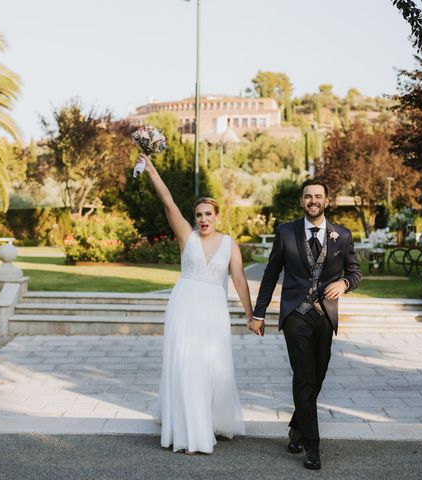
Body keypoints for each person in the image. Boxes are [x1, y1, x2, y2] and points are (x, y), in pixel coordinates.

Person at [137, 154, 252, 454]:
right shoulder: (186, 237)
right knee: (186, 365)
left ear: (217, 216)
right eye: (199, 214)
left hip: (214, 311)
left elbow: (239, 280)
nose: (203, 219)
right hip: (184, 307)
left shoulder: (230, 244)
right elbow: (168, 201)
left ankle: (208, 421)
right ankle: (190, 433)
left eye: (208, 214)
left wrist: (253, 316)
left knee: (210, 367)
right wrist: (151, 169)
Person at [248, 178, 362, 470]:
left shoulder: (343, 235)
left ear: (326, 200)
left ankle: (297, 426)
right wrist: (258, 314)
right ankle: (313, 447)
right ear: (302, 201)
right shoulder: (286, 232)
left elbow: (356, 272)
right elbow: (271, 273)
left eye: (318, 196)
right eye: (308, 196)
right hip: (295, 315)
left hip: (325, 315)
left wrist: (345, 283)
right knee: (304, 376)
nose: (313, 200)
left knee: (318, 375)